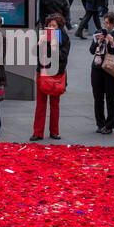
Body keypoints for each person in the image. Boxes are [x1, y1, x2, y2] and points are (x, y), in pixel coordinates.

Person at [31, 13, 70, 142]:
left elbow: (63, 57)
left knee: (55, 104)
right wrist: (38, 44)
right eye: (49, 25)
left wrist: (54, 47)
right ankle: (38, 132)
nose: (52, 28)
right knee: (40, 105)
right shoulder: (43, 36)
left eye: (54, 26)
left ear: (59, 27)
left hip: (56, 74)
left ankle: (54, 131)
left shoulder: (64, 38)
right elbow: (33, 53)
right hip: (43, 72)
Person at [89, 12, 114, 136]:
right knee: (97, 97)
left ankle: (110, 125)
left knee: (111, 97)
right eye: (105, 23)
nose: (106, 26)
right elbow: (91, 50)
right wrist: (98, 42)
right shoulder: (99, 32)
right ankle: (100, 123)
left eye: (108, 23)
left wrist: (112, 43)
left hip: (110, 69)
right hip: (97, 68)